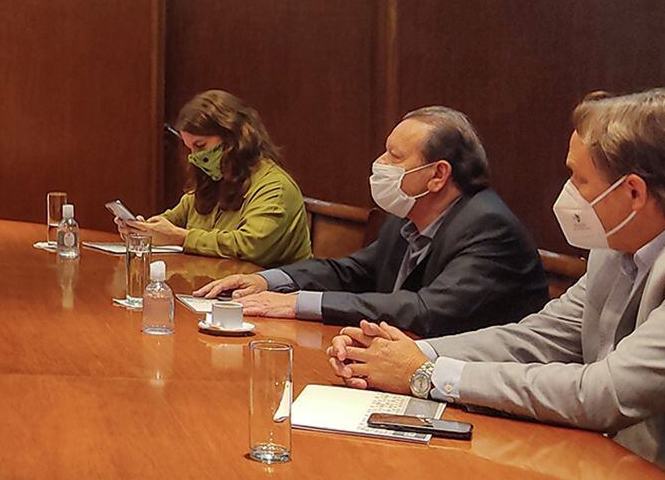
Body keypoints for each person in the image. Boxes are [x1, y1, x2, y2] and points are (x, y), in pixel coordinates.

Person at [331, 89, 665, 480]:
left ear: (633, 192)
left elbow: (606, 393)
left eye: (579, 178)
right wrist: (404, 353)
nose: (568, 191)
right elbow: (543, 335)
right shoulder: (621, 241)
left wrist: (426, 375)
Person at [196, 106, 548, 336]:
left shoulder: (488, 228)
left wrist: (298, 304)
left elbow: (426, 309)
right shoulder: (408, 215)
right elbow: (352, 272)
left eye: (395, 156)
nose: (379, 163)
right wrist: (269, 281)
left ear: (438, 175)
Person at [122, 90, 312, 267]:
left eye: (200, 145)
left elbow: (249, 245)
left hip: (272, 295)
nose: (194, 157)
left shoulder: (275, 187)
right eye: (189, 148)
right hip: (216, 287)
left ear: (233, 137)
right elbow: (174, 220)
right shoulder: (214, 178)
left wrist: (180, 237)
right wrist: (144, 230)